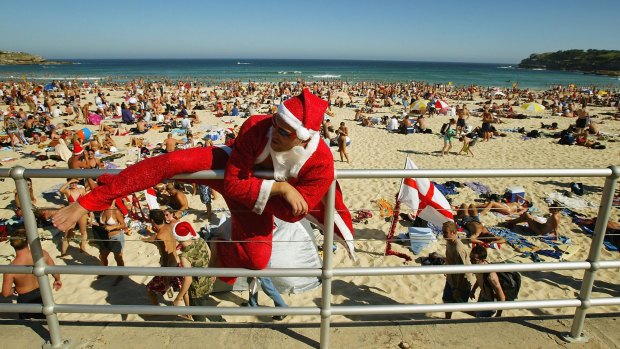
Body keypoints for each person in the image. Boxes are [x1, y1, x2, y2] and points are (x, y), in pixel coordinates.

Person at [52, 88, 356, 283]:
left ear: (303, 137)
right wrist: (280, 188)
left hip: (253, 197)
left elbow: (291, 215)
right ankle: (93, 199)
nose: (274, 132)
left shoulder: (321, 163)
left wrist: (273, 191)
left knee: (257, 260)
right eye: (276, 122)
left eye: (284, 131)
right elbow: (235, 183)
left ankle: (222, 248)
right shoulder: (258, 126)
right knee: (169, 164)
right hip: (232, 170)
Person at [2, 228, 62, 319]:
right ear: (28, 242)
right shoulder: (42, 254)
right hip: (43, 293)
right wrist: (57, 280)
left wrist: (15, 289)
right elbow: (55, 271)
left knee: (26, 326)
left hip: (24, 298)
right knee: (48, 321)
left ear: (12, 245)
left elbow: (5, 293)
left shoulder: (10, 268)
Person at [143, 210, 187, 309]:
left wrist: (166, 275)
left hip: (168, 266)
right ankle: (189, 312)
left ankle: (155, 309)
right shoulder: (169, 227)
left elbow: (165, 255)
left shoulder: (160, 236)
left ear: (152, 221)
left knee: (150, 289)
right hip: (177, 261)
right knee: (184, 290)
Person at [172, 221, 215, 322]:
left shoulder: (185, 255)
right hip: (208, 283)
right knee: (205, 305)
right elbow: (209, 255)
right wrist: (212, 273)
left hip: (196, 291)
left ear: (177, 238)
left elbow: (188, 279)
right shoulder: (200, 240)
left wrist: (178, 298)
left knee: (199, 318)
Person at [442, 221, 472, 319]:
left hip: (461, 282)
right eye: (443, 232)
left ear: (454, 233)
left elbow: (462, 271)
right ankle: (447, 320)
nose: (443, 234)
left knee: (462, 306)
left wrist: (458, 289)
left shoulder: (458, 248)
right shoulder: (449, 241)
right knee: (446, 300)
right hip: (452, 278)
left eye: (445, 232)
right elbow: (448, 257)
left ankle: (483, 315)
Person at [92, 203, 126, 285]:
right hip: (105, 237)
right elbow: (103, 224)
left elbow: (123, 225)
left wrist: (112, 227)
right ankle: (104, 271)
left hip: (116, 237)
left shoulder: (116, 211)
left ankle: (121, 275)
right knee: (102, 256)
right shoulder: (102, 210)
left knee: (118, 257)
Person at [469, 245, 506, 317]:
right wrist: (473, 290)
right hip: (482, 296)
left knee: (480, 320)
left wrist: (499, 314)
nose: (471, 261)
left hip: (490, 302)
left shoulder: (491, 276)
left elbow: (502, 297)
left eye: (474, 259)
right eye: (470, 258)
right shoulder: (478, 267)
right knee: (478, 316)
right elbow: (479, 279)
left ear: (482, 260)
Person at [58, 179, 89, 255]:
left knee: (83, 231)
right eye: (71, 183)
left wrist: (90, 213)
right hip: (71, 213)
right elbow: (60, 190)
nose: (73, 184)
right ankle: (64, 252)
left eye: (75, 182)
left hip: (82, 212)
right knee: (68, 233)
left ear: (77, 183)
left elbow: (87, 201)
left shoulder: (81, 190)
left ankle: (82, 247)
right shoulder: (68, 191)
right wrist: (68, 182)